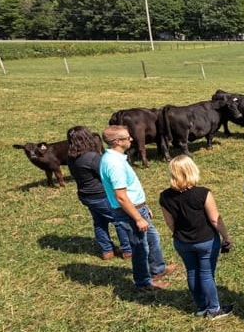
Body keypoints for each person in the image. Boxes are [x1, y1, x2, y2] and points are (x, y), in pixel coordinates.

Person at [100, 125, 174, 291]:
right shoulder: (114, 164)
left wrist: (143, 207)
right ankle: (143, 282)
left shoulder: (116, 158)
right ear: (117, 141)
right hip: (129, 213)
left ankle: (158, 269)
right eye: (127, 138)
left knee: (152, 238)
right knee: (140, 247)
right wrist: (138, 217)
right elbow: (121, 196)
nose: (131, 139)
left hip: (137, 208)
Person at [159, 155, 234, 319]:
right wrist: (226, 237)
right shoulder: (203, 193)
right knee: (206, 274)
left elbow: (169, 222)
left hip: (182, 241)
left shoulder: (165, 196)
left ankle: (201, 307)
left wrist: (178, 234)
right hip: (205, 240)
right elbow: (215, 219)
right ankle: (214, 309)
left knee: (192, 272)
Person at [66, 125, 131, 260]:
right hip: (101, 195)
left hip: (86, 195)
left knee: (99, 222)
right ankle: (128, 249)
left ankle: (107, 250)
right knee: (119, 220)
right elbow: (106, 174)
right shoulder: (92, 157)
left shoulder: (70, 157)